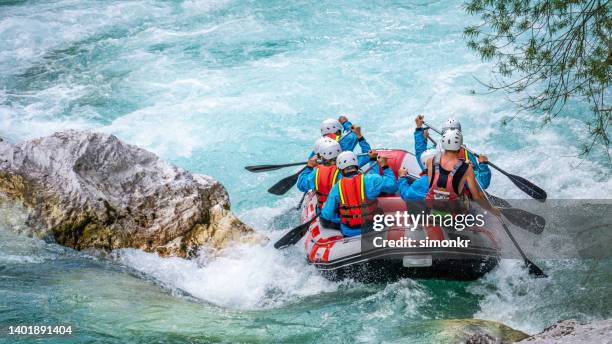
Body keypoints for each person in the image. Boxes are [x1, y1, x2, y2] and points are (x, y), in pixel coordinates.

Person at [321, 151, 397, 237]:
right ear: (356, 165)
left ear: (340, 169)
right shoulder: (371, 179)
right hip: (374, 227)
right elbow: (393, 185)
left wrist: (324, 211)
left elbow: (327, 216)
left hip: (350, 231)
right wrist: (384, 165)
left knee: (326, 220)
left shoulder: (336, 188)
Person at [415, 115, 492, 189]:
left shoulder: (432, 156)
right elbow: (482, 184)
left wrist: (419, 130)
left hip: (436, 191)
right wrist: (483, 165)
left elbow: (421, 155)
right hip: (457, 194)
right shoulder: (466, 158)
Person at [297, 138, 375, 210]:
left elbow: (301, 185)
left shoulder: (316, 173)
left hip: (327, 213)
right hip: (349, 211)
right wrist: (360, 137)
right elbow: (366, 155)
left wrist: (309, 167)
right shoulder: (350, 167)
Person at [425, 129, 483, 204]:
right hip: (453, 213)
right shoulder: (467, 169)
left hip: (430, 210)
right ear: (460, 147)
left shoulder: (430, 161)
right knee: (479, 195)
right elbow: (476, 197)